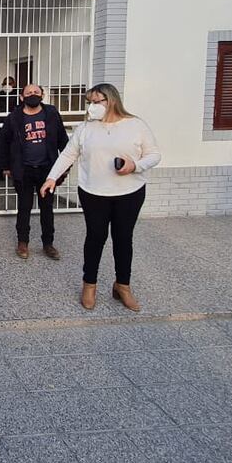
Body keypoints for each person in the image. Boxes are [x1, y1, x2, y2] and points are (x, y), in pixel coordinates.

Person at [41, 83, 160, 312]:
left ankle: (122, 286)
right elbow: (68, 154)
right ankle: (89, 285)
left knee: (123, 239)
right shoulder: (85, 128)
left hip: (130, 193)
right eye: (90, 103)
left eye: (97, 102)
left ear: (111, 101)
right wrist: (51, 178)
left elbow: (154, 154)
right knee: (95, 238)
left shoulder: (136, 125)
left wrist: (135, 165)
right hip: (93, 193)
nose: (92, 107)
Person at [0, 84, 69, 260]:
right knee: (24, 207)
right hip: (24, 169)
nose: (32, 95)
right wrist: (5, 166)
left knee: (47, 208)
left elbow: (63, 140)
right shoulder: (14, 117)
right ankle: (23, 242)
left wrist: (63, 167)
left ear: (42, 95)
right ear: (22, 97)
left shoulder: (51, 113)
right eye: (28, 93)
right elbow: (3, 141)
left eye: (36, 92)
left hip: (47, 170)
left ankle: (48, 244)